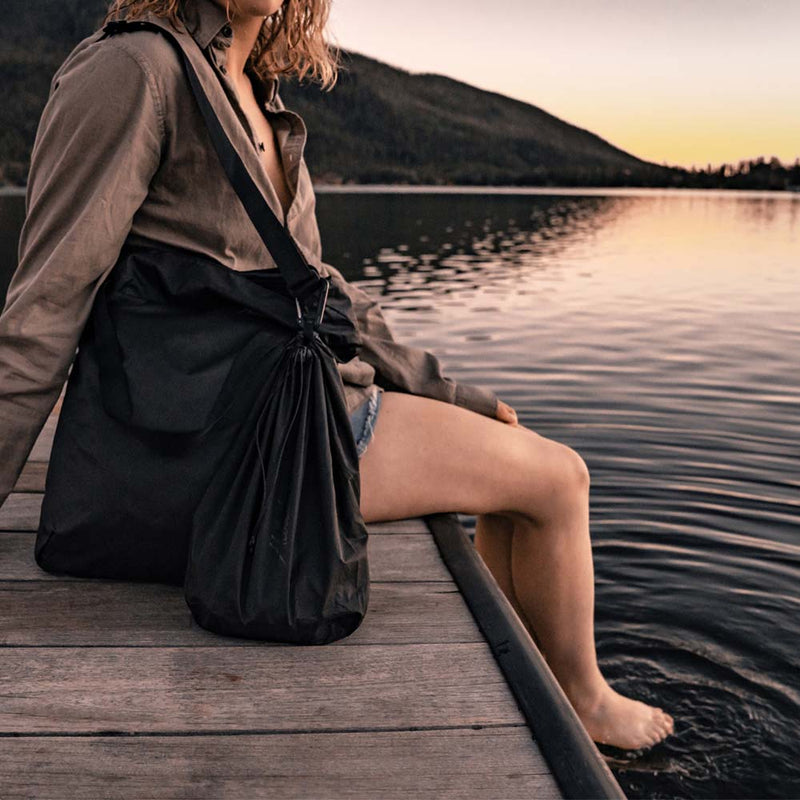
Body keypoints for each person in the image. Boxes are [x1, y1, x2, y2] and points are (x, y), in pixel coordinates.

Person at [0, 0, 674, 750]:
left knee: (521, 481)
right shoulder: (133, 69)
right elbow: (43, 311)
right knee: (559, 481)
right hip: (240, 446)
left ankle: (537, 692)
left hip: (276, 411)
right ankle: (583, 701)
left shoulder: (256, 95)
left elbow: (325, 293)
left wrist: (451, 393)